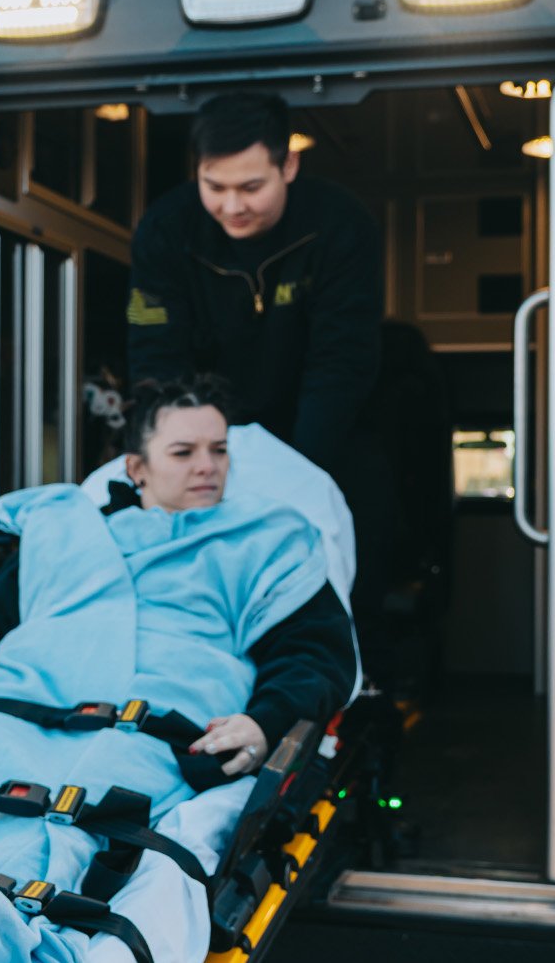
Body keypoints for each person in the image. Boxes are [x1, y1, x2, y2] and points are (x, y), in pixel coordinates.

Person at [0, 377, 356, 963]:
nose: (208, 467)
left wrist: (264, 721)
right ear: (136, 467)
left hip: (152, 725)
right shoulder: (66, 532)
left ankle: (16, 937)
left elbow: (316, 654)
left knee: (77, 824)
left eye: (219, 450)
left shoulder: (267, 542)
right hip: (12, 706)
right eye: (184, 452)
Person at [126, 92, 398, 685]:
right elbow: (155, 352)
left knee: (355, 526)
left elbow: (342, 360)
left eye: (251, 187)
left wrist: (292, 472)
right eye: (214, 185)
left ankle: (353, 679)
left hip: (322, 426)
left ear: (289, 166)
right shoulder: (166, 228)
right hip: (204, 418)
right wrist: (183, 451)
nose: (231, 206)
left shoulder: (341, 225)